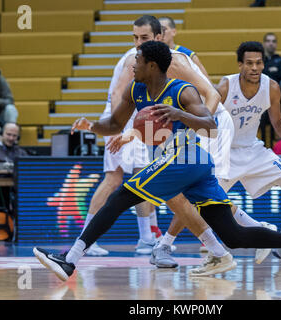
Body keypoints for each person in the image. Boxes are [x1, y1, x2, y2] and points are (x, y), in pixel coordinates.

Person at [33, 40, 281, 282]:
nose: (133, 64)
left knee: (121, 196)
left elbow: (211, 124)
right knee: (233, 235)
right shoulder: (136, 89)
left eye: (137, 60)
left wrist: (181, 114)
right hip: (188, 167)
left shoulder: (182, 90)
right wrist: (91, 126)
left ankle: (70, 260)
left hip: (185, 157)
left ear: (152, 65)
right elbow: (114, 124)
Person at [153, 41, 281, 266]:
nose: (254, 67)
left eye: (259, 63)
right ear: (240, 64)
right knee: (198, 202)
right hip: (224, 151)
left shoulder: (271, 87)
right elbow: (206, 116)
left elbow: (278, 121)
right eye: (249, 63)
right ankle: (164, 245)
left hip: (253, 149)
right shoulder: (225, 86)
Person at [81, 15, 234, 257]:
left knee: (175, 187)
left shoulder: (176, 61)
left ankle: (156, 241)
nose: (138, 43)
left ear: (159, 38)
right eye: (135, 37)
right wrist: (123, 130)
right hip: (141, 123)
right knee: (134, 182)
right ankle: (152, 241)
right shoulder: (133, 61)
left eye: (144, 38)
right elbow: (118, 99)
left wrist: (199, 126)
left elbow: (210, 94)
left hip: (202, 122)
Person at [0, 122, 28, 213]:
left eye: (14, 136)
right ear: (1, 133)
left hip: (17, 189)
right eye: (8, 134)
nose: (11, 138)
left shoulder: (21, 152)